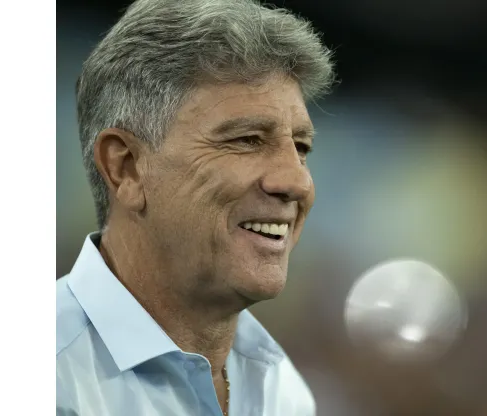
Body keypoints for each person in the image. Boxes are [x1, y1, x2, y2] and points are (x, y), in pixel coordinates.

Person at [56, 0, 335, 414]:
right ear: (126, 169)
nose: (297, 182)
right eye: (247, 140)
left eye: (301, 147)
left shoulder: (282, 390)